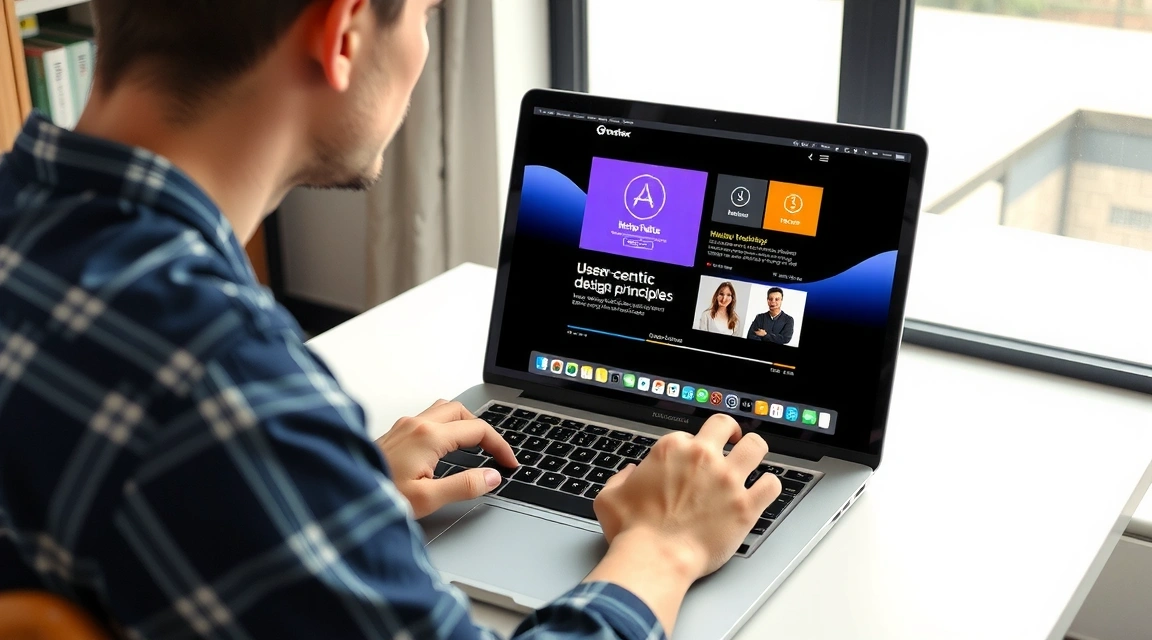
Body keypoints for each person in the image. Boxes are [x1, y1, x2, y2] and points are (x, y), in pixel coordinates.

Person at [0, 1, 783, 639]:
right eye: (426, 16)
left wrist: (334, 497)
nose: (422, 48)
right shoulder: (222, 385)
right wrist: (662, 548)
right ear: (341, 34)